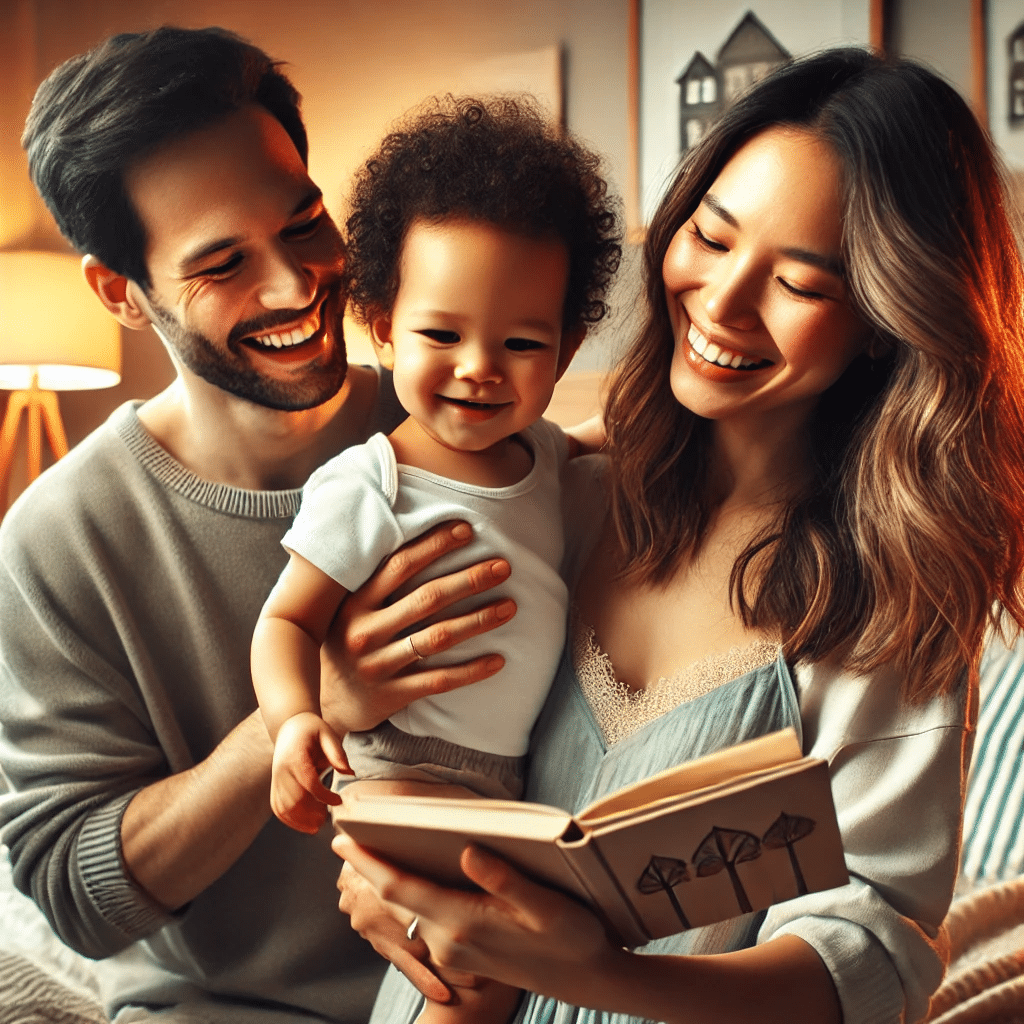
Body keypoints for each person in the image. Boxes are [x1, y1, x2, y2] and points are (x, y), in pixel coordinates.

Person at [331, 47, 1024, 1024]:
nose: (724, 303)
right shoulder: (549, 491)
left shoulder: (890, 599)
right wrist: (383, 875)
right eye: (709, 235)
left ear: (882, 316)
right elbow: (399, 753)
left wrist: (600, 973)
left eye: (801, 281)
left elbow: (874, 955)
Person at [0, 26, 513, 1024]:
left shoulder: (473, 437)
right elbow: (77, 900)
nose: (294, 284)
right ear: (121, 293)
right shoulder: (57, 540)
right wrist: (309, 701)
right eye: (223, 262)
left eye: (304, 222)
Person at [251, 96, 619, 1023]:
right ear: (379, 323)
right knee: (471, 971)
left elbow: (609, 433)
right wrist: (294, 722)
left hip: (511, 777)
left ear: (567, 349)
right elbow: (287, 618)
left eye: (522, 343)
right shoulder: (372, 484)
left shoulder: (543, 459)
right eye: (441, 335)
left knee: (503, 957)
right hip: (402, 768)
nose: (479, 368)